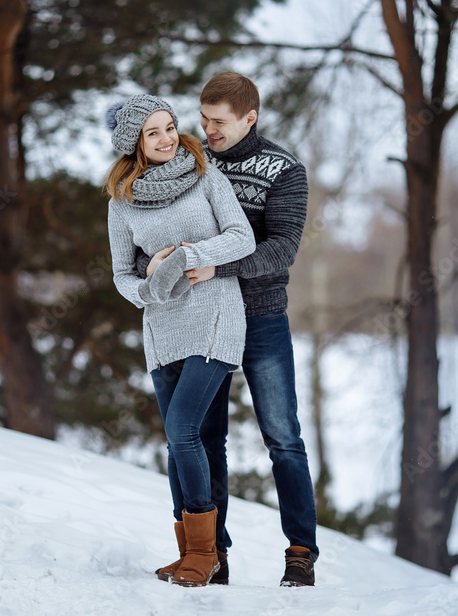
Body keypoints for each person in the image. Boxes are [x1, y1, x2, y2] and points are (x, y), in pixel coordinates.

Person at [136, 72, 318, 587]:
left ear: (249, 118)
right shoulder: (193, 161)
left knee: (282, 437)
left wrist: (218, 266)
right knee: (202, 436)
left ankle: (300, 552)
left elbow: (283, 247)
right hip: (203, 317)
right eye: (203, 119)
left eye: (218, 122)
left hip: (259, 316)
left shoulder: (283, 170)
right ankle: (213, 554)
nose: (207, 130)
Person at [104, 94, 255, 587]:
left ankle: (205, 553)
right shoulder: (121, 201)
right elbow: (122, 277)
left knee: (182, 430)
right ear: (135, 143)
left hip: (215, 315)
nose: (168, 138)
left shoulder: (204, 174)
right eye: (154, 132)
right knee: (188, 442)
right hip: (162, 325)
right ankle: (193, 553)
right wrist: (149, 283)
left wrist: (184, 257)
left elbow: (242, 237)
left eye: (170, 126)